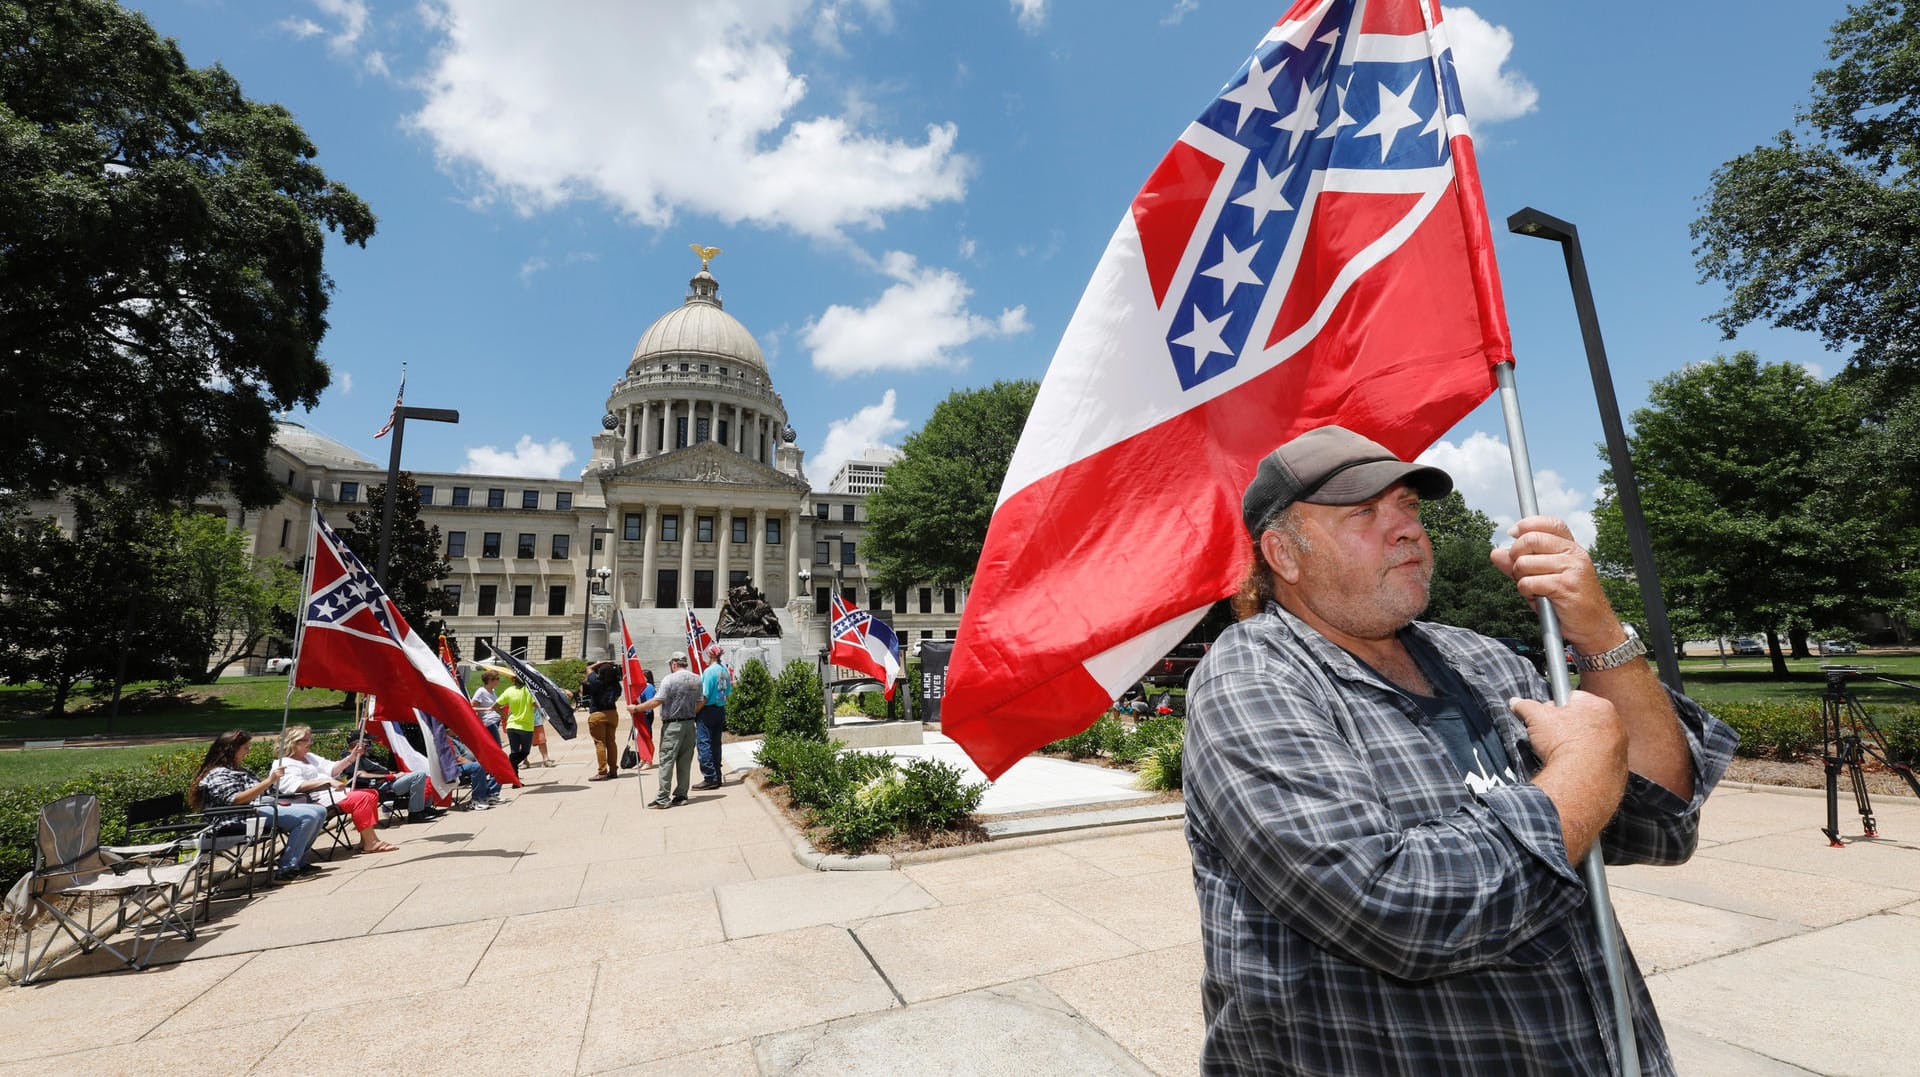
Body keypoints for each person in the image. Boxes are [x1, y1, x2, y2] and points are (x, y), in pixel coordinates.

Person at [1184, 425, 1738, 1076]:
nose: (1407, 530)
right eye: (1365, 512)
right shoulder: (1251, 679)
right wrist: (1582, 771)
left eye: (1409, 507)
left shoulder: (1481, 658)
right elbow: (1396, 910)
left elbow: (1660, 817)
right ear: (1285, 553)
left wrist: (1598, 630)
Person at [190, 730, 327, 882]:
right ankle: (286, 868)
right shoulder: (218, 774)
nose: (248, 752)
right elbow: (236, 800)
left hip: (257, 809)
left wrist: (275, 784)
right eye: (245, 748)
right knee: (307, 817)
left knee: (320, 810)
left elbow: (262, 790)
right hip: (238, 817)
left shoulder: (239, 769)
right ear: (231, 750)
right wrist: (269, 781)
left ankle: (299, 860)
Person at [274, 726, 400, 854]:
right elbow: (294, 786)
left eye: (309, 739)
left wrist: (352, 756)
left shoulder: (309, 757)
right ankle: (371, 843)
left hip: (331, 794)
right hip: (313, 800)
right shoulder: (284, 763)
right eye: (306, 740)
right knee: (362, 797)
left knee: (371, 793)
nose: (310, 743)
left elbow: (333, 769)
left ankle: (366, 840)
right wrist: (326, 781)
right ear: (293, 742)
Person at [634, 656, 702, 808]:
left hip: (672, 725)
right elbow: (700, 701)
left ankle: (663, 797)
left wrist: (637, 708)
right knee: (685, 761)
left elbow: (657, 701)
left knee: (667, 760)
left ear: (674, 664)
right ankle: (681, 795)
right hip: (690, 724)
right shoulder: (696, 679)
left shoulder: (669, 679)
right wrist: (690, 713)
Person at [341, 730, 444, 823]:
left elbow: (378, 770)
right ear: (357, 744)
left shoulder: (365, 756)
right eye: (367, 741)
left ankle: (424, 808)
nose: (369, 744)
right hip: (381, 787)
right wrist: (390, 777)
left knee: (425, 772)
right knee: (419, 775)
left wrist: (395, 774)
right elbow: (360, 775)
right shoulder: (349, 758)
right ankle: (415, 814)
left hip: (389, 781)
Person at [695, 643, 731, 789]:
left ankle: (710, 777)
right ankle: (717, 773)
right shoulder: (724, 670)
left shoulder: (709, 672)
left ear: (710, 655)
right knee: (716, 744)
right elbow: (727, 692)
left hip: (707, 710)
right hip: (720, 709)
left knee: (704, 743)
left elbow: (704, 695)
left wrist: (695, 711)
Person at [582, 660, 624, 782]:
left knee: (600, 743)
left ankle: (602, 771)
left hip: (597, 714)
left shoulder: (595, 681)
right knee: (611, 742)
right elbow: (615, 698)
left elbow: (588, 668)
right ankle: (613, 770)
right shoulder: (616, 685)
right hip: (612, 714)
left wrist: (602, 662)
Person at [497, 672, 537, 775]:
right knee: (525, 752)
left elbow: (495, 706)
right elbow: (535, 705)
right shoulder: (528, 691)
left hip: (511, 725)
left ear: (513, 680)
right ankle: (509, 766)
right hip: (525, 726)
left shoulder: (509, 691)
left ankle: (515, 780)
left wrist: (504, 716)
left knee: (514, 752)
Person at [449, 734, 501, 810]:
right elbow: (458, 759)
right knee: (478, 766)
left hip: (471, 765)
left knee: (496, 761)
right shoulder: (448, 739)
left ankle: (491, 794)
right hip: (457, 768)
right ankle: (476, 799)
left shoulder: (460, 737)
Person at [469, 669, 507, 747]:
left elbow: (494, 707)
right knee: (498, 746)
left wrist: (505, 715)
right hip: (488, 722)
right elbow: (471, 707)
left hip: (496, 720)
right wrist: (487, 709)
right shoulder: (481, 691)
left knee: (494, 745)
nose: (499, 680)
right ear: (490, 680)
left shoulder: (492, 691)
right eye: (497, 678)